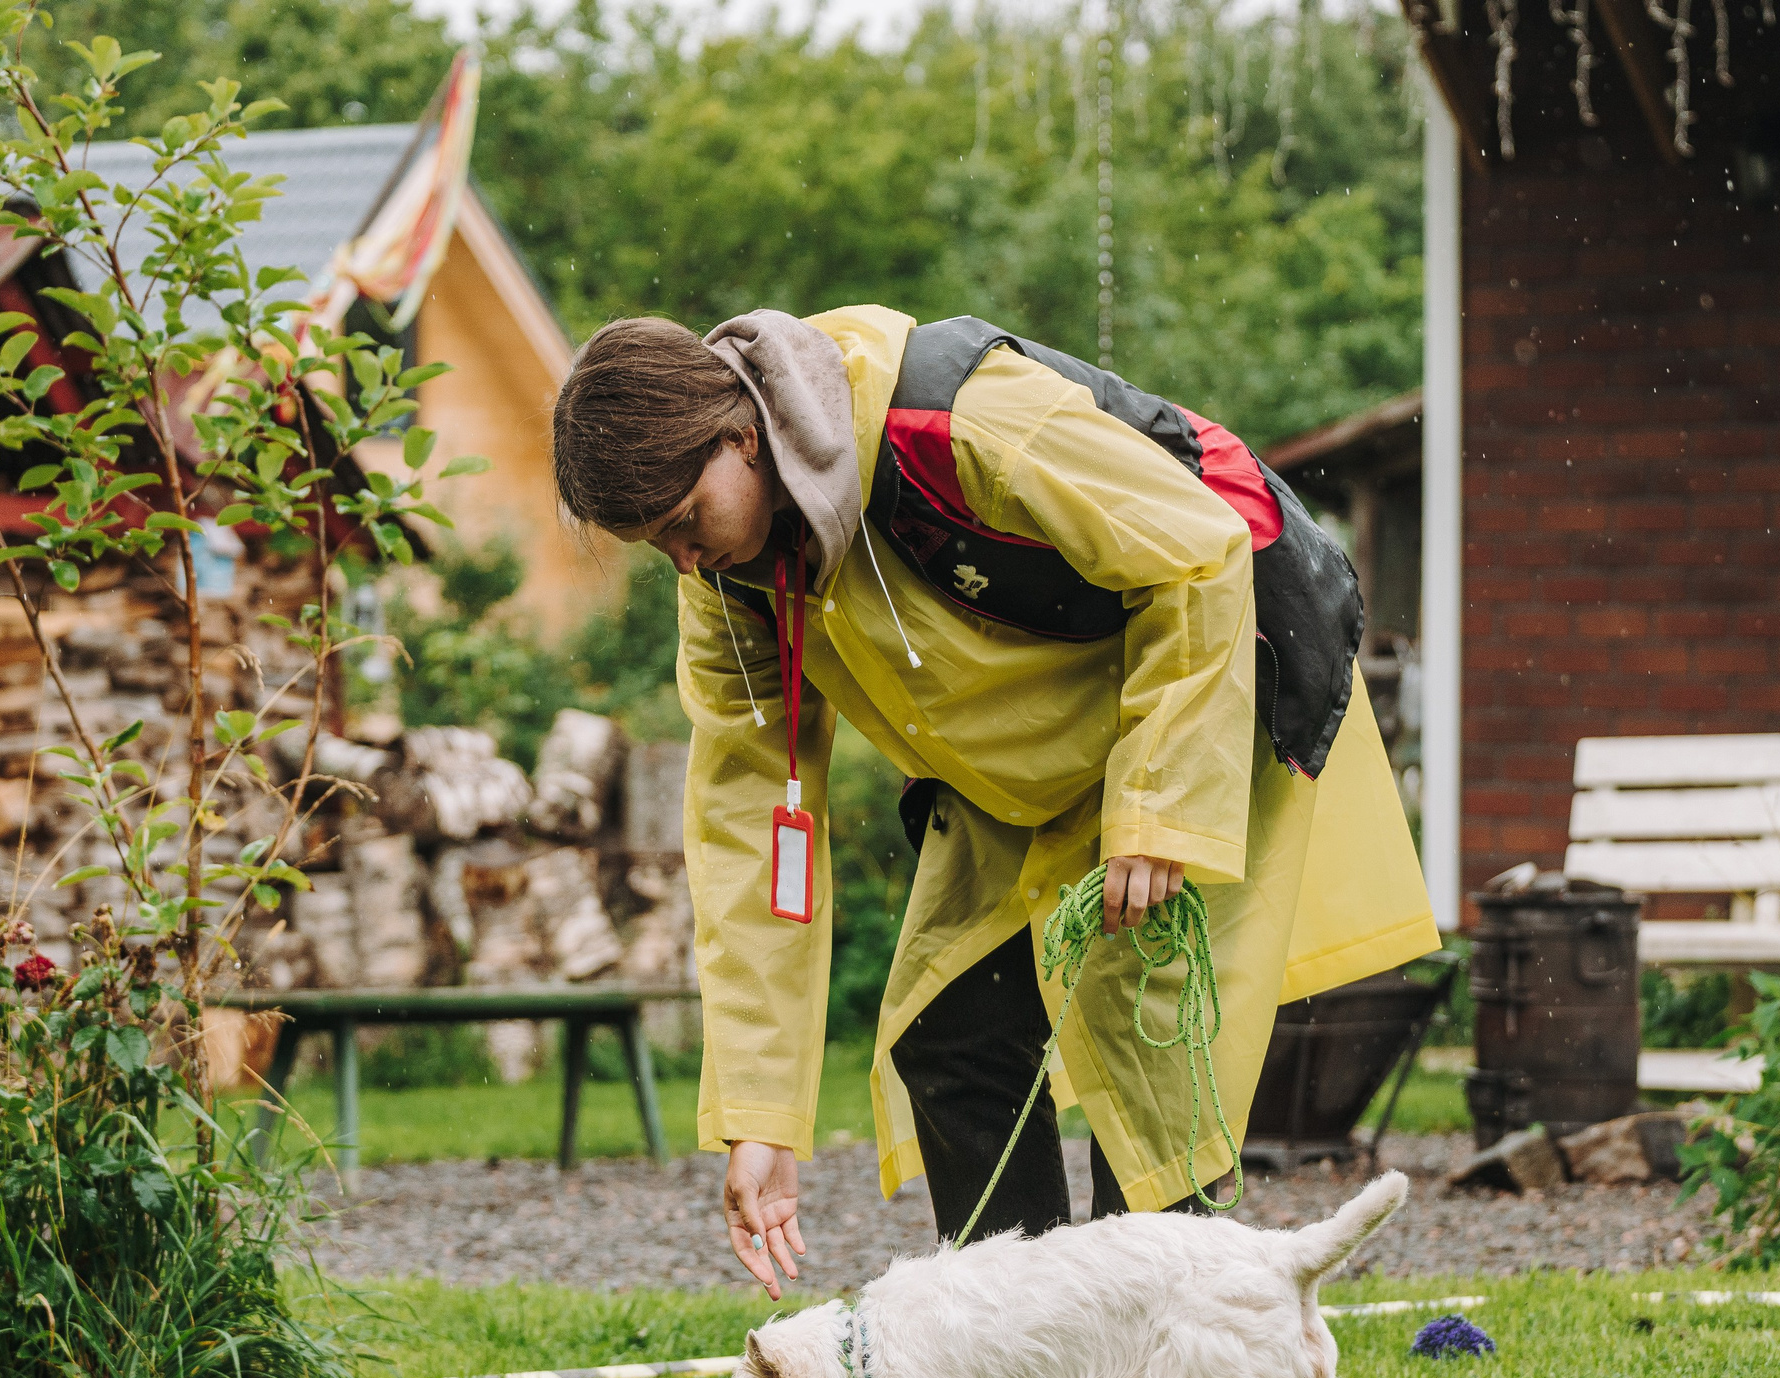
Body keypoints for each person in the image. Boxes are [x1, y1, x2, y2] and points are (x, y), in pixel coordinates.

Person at [549, 306, 1438, 1298]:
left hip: (1191, 709)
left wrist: (1153, 810)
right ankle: (1011, 1368)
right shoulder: (728, 581)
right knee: (951, 1031)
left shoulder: (961, 419)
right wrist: (760, 1115)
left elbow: (1192, 551)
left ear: (740, 434)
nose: (686, 560)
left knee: (1141, 1050)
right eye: (655, 546)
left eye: (683, 522)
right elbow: (752, 828)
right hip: (1019, 770)